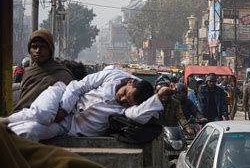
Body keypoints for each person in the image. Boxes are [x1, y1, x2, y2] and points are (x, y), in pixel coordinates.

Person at [1, 67, 157, 141]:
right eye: (125, 94)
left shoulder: (132, 111)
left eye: (127, 103)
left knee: (29, 132)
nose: (122, 100)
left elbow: (148, 114)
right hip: (60, 97)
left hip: (69, 126)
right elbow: (78, 86)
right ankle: (5, 121)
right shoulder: (113, 74)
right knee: (43, 115)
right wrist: (63, 109)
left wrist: (161, 96)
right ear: (130, 82)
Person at [12, 29, 74, 113]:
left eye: (43, 47)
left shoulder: (63, 75)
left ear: (50, 50)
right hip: (19, 117)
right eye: (34, 47)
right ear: (29, 50)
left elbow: (68, 104)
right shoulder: (28, 72)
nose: (38, 51)